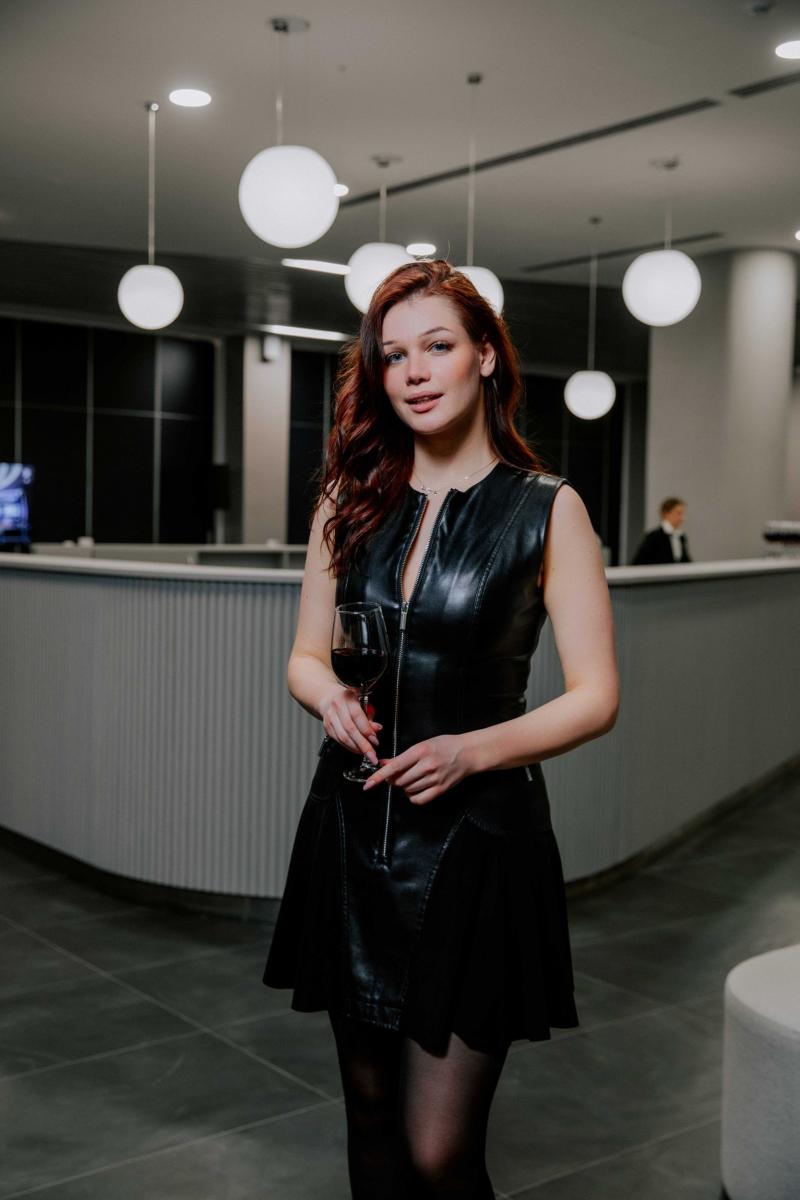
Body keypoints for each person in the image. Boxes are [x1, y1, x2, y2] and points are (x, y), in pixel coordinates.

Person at [263, 259, 619, 1198]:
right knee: (371, 1123)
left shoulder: (549, 509)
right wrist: (326, 696)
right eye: (393, 356)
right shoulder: (348, 500)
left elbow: (596, 695)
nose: (414, 372)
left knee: (438, 1154)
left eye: (437, 346)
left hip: (476, 849)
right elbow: (305, 656)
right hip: (354, 836)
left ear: (486, 357)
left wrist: (473, 750)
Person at [631, 497, 692, 564]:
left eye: (682, 514)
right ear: (666, 513)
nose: (682, 518)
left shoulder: (681, 537)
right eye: (678, 513)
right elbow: (639, 561)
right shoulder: (654, 537)